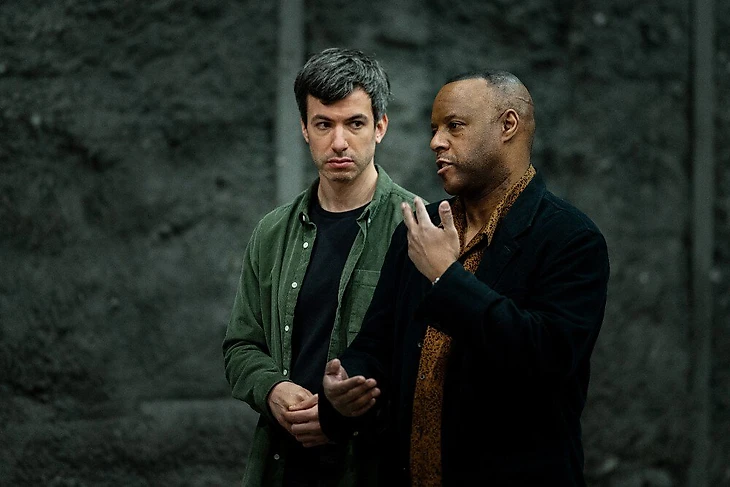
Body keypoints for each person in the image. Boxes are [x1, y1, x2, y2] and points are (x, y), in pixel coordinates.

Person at [319, 71, 610, 486]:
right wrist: (346, 388)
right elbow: (377, 345)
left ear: (507, 125)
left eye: (454, 126)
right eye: (434, 129)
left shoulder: (570, 238)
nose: (436, 142)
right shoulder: (420, 228)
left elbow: (546, 359)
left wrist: (446, 277)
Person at [222, 47, 419, 487]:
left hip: (372, 467)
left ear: (381, 127)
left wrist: (340, 416)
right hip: (283, 464)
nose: (339, 142)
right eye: (323, 124)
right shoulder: (272, 232)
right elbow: (241, 345)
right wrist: (272, 389)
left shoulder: (416, 227)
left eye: (355, 123)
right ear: (304, 130)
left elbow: (429, 367)